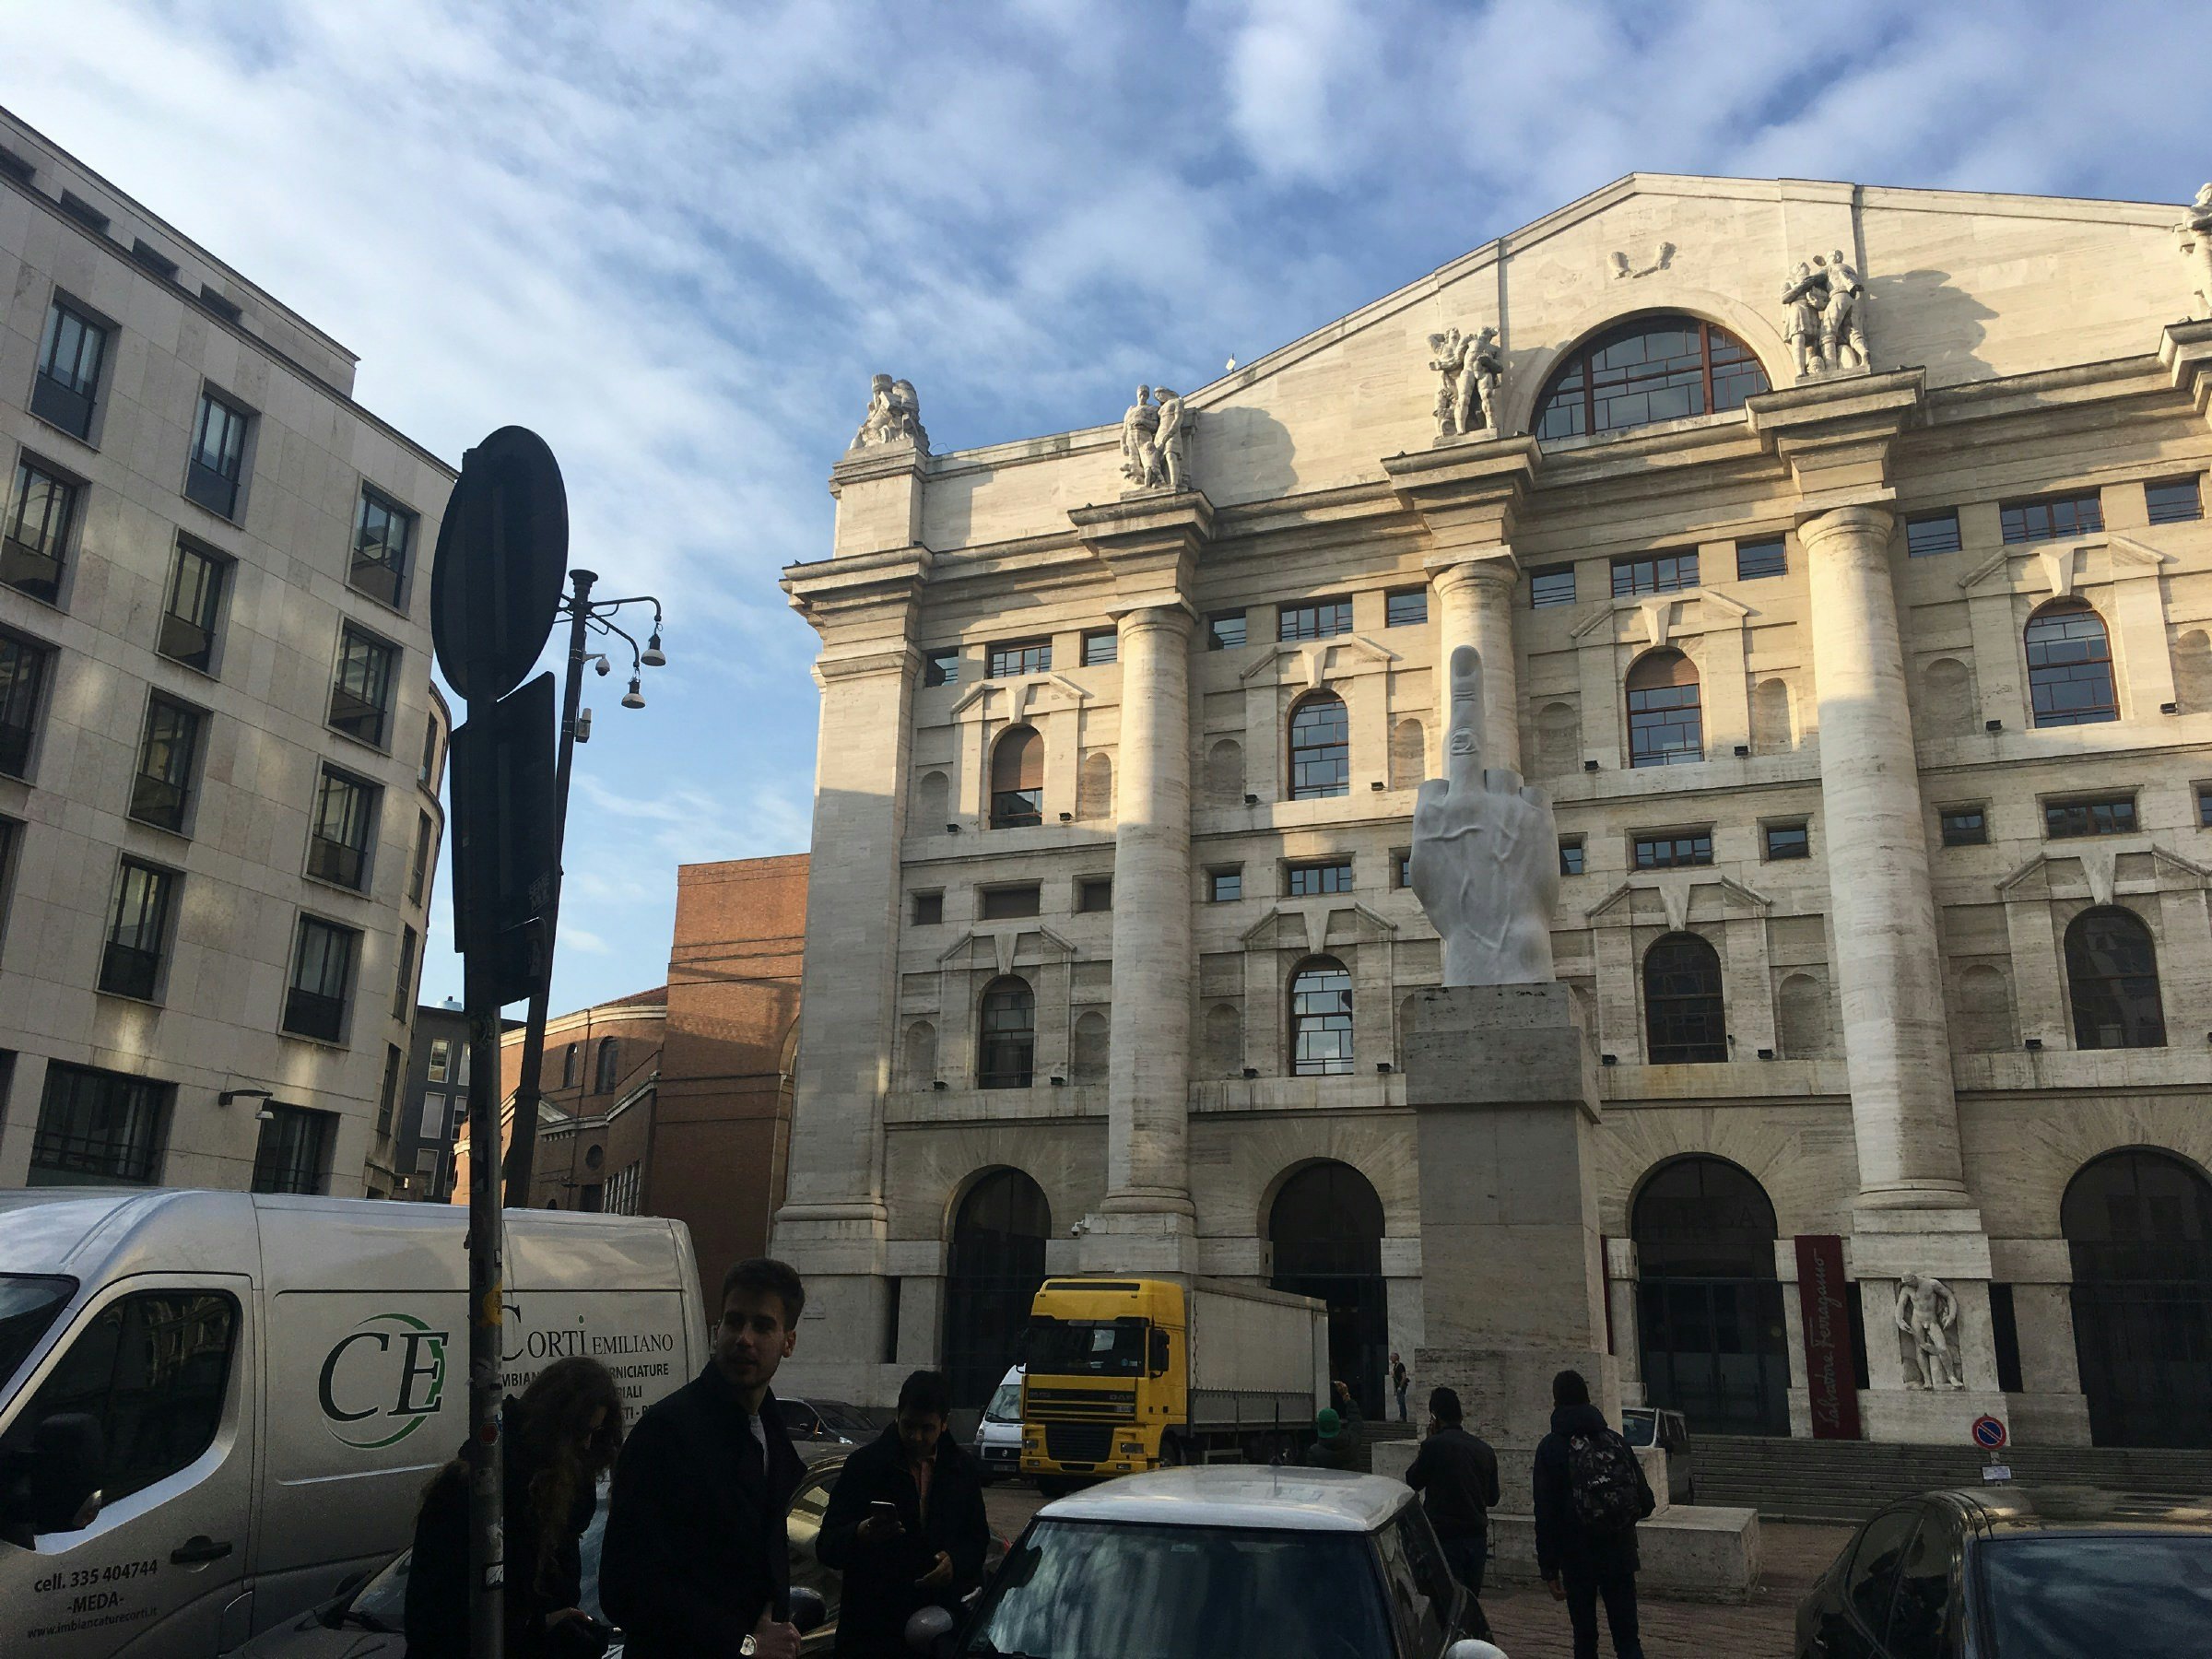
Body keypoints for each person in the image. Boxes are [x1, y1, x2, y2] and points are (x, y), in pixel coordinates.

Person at [600, 1258, 810, 1659]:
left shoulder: (772, 1432)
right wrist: (744, 1645)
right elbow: (625, 1586)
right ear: (718, 1330)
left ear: (789, 1341)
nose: (743, 1338)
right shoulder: (667, 1432)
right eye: (734, 1322)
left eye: (762, 1326)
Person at [405, 1356, 625, 1659]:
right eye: (581, 1433)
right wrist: (538, 1627)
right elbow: (440, 1618)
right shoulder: (479, 1491)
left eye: (595, 1434)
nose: (587, 1446)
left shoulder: (557, 1498)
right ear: (555, 1426)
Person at [818, 1369, 990, 1657]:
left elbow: (978, 1540)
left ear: (944, 1424)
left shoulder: (962, 1470)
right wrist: (860, 1534)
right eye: (909, 1425)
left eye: (927, 1428)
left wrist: (954, 1563)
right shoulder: (865, 1466)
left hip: (937, 1632)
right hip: (872, 1633)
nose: (916, 1437)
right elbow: (827, 1545)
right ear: (897, 1415)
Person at [1532, 1369, 1654, 1659]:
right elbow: (1646, 1500)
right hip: (1620, 1552)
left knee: (1585, 1639)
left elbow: (1545, 1514)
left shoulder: (1550, 1447)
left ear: (1555, 1401)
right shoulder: (1614, 1439)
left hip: (1576, 1557)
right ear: (1589, 1398)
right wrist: (1616, 1519)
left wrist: (1549, 1568)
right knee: (1627, 1640)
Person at [1404, 1386, 1500, 1637]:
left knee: (1446, 1608)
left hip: (1445, 1537)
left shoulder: (1434, 1446)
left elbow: (1413, 1480)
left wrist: (1426, 1442)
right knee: (1470, 1602)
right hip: (1476, 1539)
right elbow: (1493, 1498)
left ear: (1434, 1417)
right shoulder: (1484, 1450)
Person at [1303, 1406, 1360, 1471]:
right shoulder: (1352, 1442)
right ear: (1338, 1423)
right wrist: (1350, 1402)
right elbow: (1356, 1423)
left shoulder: (1314, 1452)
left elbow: (1313, 1476)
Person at [1391, 1353, 1410, 1423]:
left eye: (1392, 1357)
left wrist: (1400, 1387)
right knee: (1400, 1402)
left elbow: (1403, 1376)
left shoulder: (1400, 1365)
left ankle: (1403, 1417)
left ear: (1396, 1358)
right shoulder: (1396, 1366)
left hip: (1401, 1387)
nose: (1390, 1359)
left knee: (1401, 1402)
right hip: (1398, 1387)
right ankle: (1402, 1417)